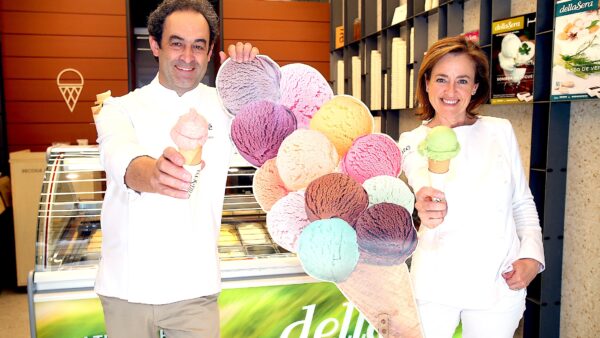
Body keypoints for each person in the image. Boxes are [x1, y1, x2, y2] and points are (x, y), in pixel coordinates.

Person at [93, 0, 258, 337]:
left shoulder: (227, 108)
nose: (188, 56)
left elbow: (275, 139)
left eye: (199, 46)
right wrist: (154, 174)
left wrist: (255, 82)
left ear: (211, 51)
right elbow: (120, 157)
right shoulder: (119, 108)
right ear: (155, 45)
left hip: (194, 289)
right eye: (176, 43)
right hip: (127, 287)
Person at [398, 36, 545, 338]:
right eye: (441, 79)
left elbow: (521, 202)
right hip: (435, 282)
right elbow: (421, 183)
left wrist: (532, 257)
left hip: (497, 280)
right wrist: (424, 203)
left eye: (462, 80)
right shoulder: (411, 141)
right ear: (426, 83)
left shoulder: (500, 131)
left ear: (475, 87)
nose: (451, 91)